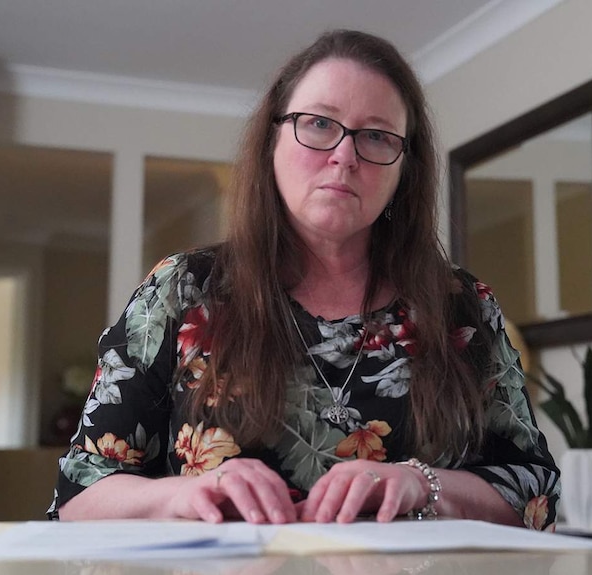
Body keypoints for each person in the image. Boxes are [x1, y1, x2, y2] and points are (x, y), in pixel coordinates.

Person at [50, 29, 560, 530]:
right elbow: (80, 492)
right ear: (273, 139)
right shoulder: (182, 290)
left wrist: (422, 484)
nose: (344, 156)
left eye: (377, 136)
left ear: (406, 167)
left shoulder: (462, 307)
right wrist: (183, 494)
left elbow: (535, 492)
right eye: (319, 123)